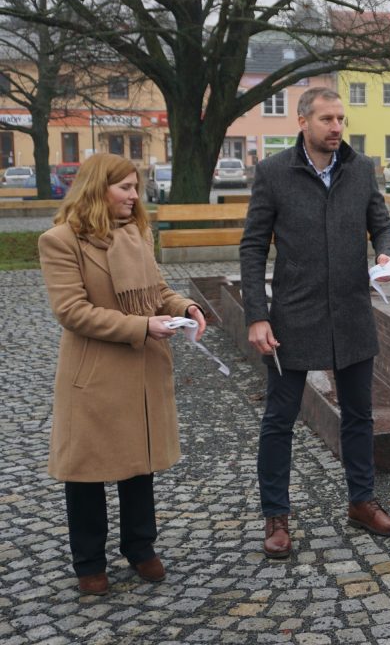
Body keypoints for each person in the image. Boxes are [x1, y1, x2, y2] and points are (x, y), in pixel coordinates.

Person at [241, 87, 390, 559]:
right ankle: (276, 516)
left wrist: (386, 252)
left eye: (340, 119)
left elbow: (383, 224)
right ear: (302, 122)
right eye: (326, 119)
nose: (336, 127)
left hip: (352, 312)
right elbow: (253, 246)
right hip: (294, 314)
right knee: (279, 420)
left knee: (359, 415)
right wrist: (257, 314)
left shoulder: (360, 168)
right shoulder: (274, 172)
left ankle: (361, 501)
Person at [38, 153, 207, 596]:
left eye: (137, 187)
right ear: (99, 189)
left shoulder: (137, 233)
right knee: (87, 473)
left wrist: (184, 307)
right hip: (94, 375)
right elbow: (72, 311)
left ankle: (140, 546)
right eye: (126, 188)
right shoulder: (60, 241)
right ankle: (89, 561)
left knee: (139, 465)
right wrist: (141, 326)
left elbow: (157, 289)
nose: (135, 196)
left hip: (143, 369)